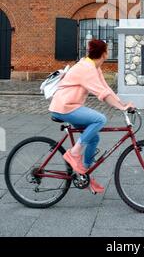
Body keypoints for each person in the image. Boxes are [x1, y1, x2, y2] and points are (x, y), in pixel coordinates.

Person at [49, 39, 135, 194]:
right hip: (65, 107)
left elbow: (106, 88)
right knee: (100, 119)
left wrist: (123, 105)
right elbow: (101, 94)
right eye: (108, 50)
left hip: (71, 106)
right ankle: (74, 154)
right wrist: (121, 107)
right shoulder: (86, 68)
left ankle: (84, 174)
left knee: (93, 138)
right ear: (103, 53)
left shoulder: (94, 67)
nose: (108, 53)